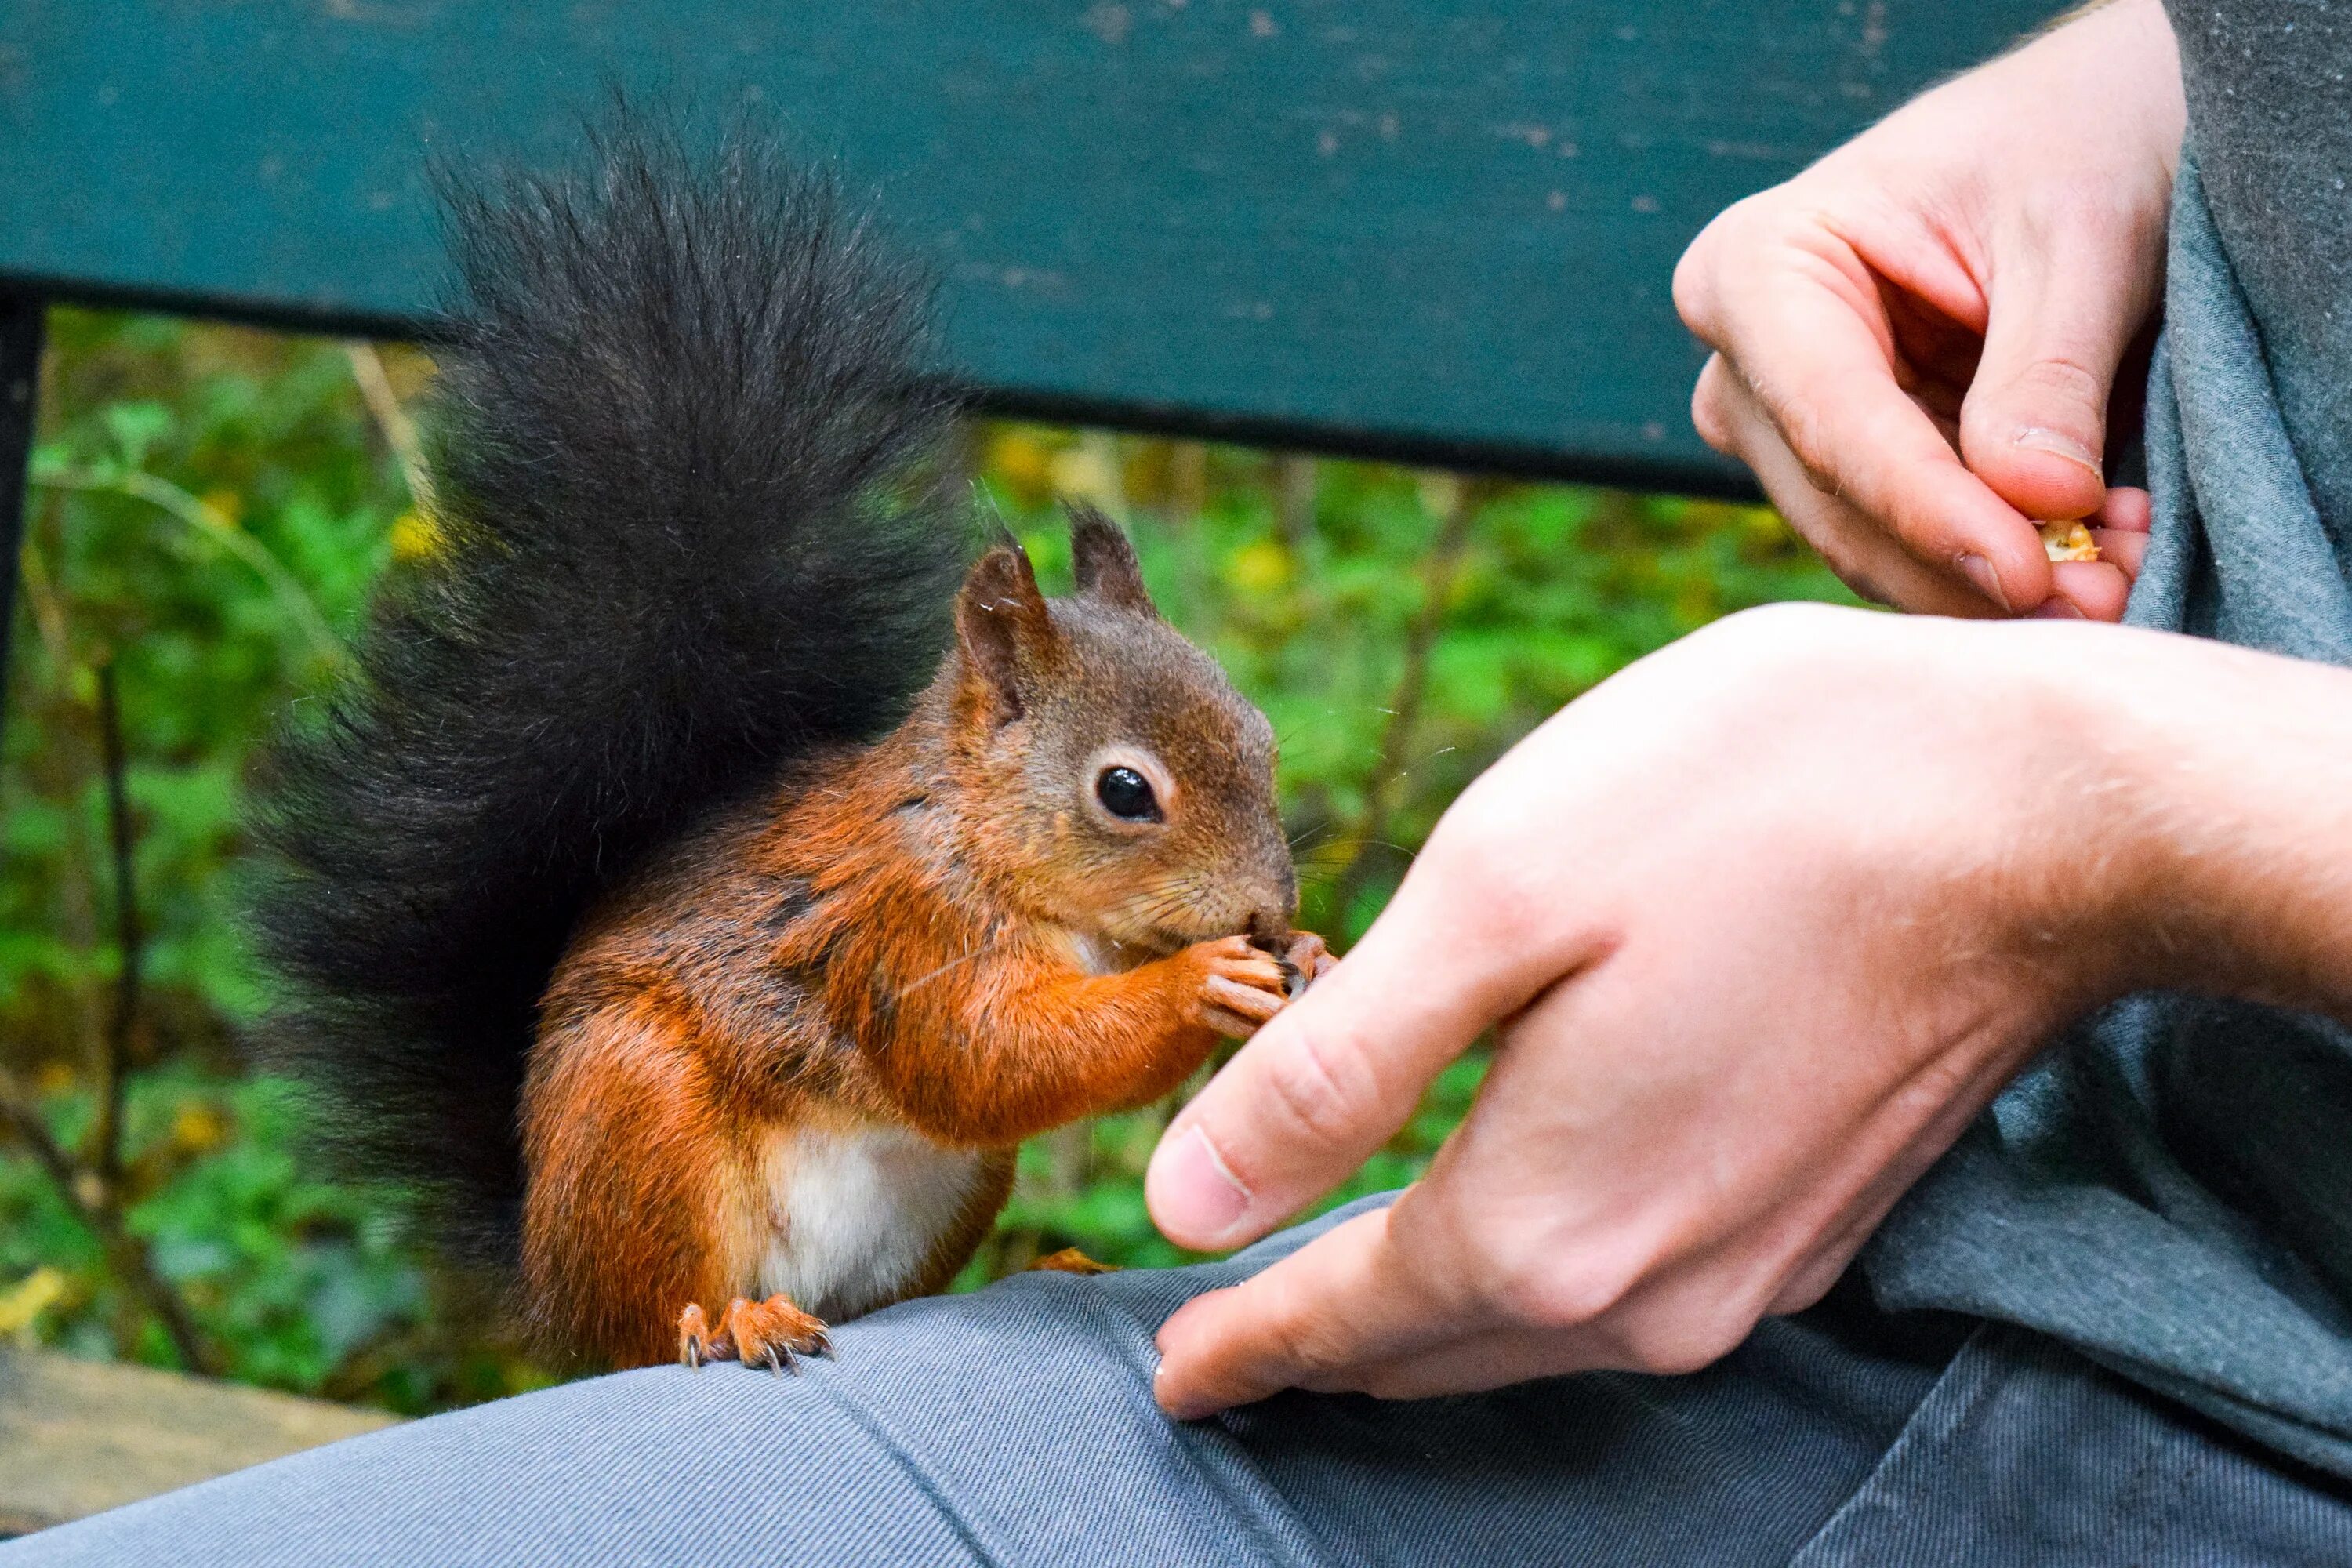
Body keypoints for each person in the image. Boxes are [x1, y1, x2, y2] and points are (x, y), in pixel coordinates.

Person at [9, 0, 2349, 1561]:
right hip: (735, 1231)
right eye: (1148, 816)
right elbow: (956, 1052)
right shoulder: (930, 896)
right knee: (636, 1059)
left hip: (2195, 1380)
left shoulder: (1045, 900)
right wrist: (2152, 79)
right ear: (1000, 721)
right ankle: (710, 1330)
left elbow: (998, 1071)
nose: (1229, 876)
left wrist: (2092, 804)